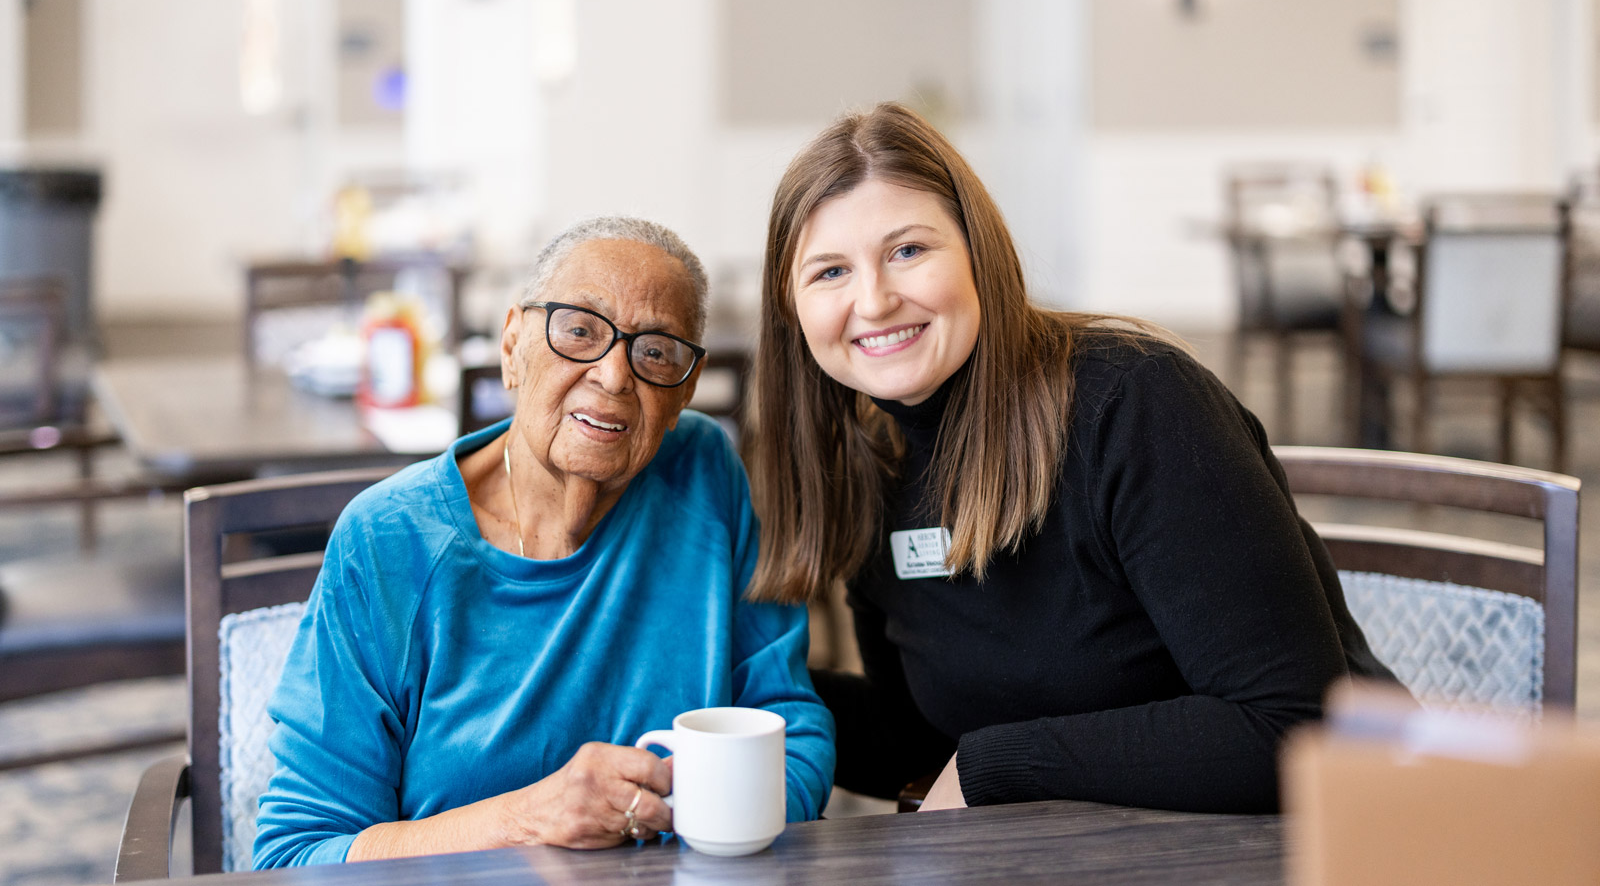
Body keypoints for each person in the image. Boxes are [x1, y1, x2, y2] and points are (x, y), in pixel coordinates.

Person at [745, 103, 1396, 815]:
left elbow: (1292, 729)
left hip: (1307, 838)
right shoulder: (876, 459)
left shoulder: (1134, 404)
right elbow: (920, 738)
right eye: (830, 271)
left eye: (908, 251)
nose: (873, 299)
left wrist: (995, 765)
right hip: (1080, 852)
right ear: (791, 308)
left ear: (977, 253)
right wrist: (710, 695)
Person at [254, 217, 834, 867]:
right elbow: (297, 855)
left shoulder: (704, 472)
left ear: (684, 393)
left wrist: (712, 828)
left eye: (655, 351)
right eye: (579, 330)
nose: (615, 376)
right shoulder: (388, 541)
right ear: (512, 345)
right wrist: (531, 820)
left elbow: (791, 725)